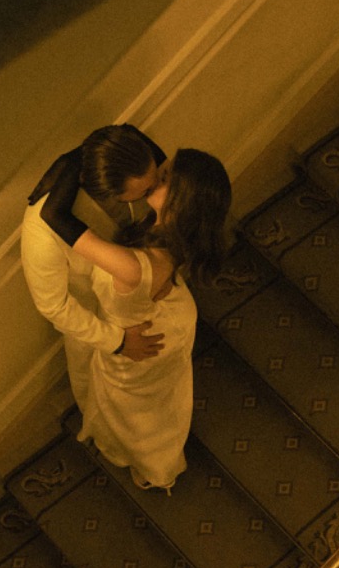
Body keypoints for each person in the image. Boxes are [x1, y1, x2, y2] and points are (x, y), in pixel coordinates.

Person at [38, 146, 232, 491]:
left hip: (141, 343)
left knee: (137, 414)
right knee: (154, 400)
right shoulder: (173, 230)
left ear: (179, 202)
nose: (155, 173)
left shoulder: (133, 268)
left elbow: (53, 215)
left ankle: (154, 464)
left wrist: (77, 156)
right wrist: (107, 145)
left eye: (165, 176)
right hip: (164, 318)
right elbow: (148, 152)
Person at [22, 124, 168, 413]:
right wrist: (118, 342)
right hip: (90, 314)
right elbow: (53, 306)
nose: (157, 192)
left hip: (135, 291)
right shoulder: (42, 231)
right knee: (95, 384)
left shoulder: (132, 168)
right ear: (112, 192)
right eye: (146, 191)